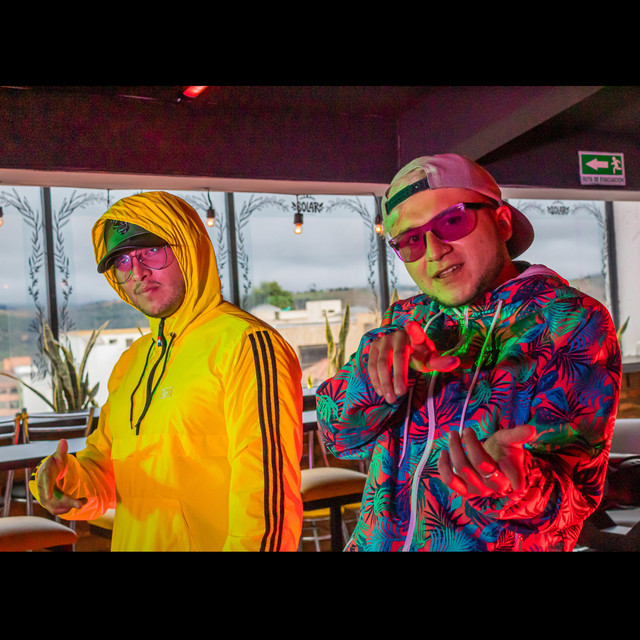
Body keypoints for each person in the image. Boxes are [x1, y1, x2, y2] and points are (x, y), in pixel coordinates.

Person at [316, 154, 622, 551]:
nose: (434, 250)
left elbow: (577, 498)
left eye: (452, 221)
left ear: (502, 221)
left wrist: (516, 485)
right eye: (412, 240)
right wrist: (371, 380)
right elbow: (337, 438)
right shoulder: (406, 320)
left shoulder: (570, 321)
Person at [29, 191, 304, 551]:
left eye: (152, 251)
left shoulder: (246, 345)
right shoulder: (133, 361)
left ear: (188, 247)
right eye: (123, 261)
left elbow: (267, 508)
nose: (138, 272)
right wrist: (65, 478)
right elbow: (110, 477)